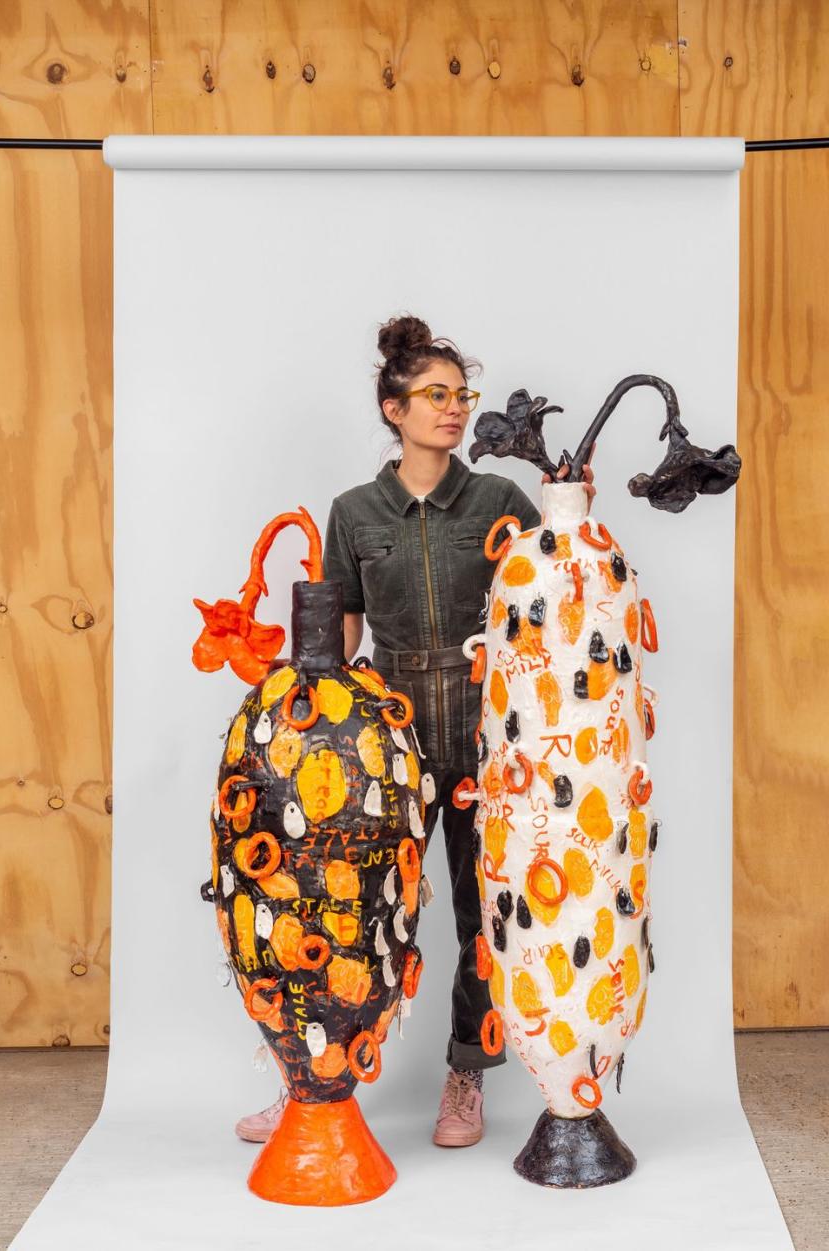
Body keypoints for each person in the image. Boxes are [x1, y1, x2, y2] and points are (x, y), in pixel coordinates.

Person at [235, 314, 594, 1148]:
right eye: (436, 395)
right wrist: (283, 683)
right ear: (393, 408)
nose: (455, 409)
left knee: (482, 911)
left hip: (486, 738)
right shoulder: (354, 512)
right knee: (355, 911)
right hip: (386, 745)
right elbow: (341, 643)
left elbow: (548, 601)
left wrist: (573, 514)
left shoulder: (499, 500)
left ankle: (466, 1072)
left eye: (461, 394)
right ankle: (317, 1078)